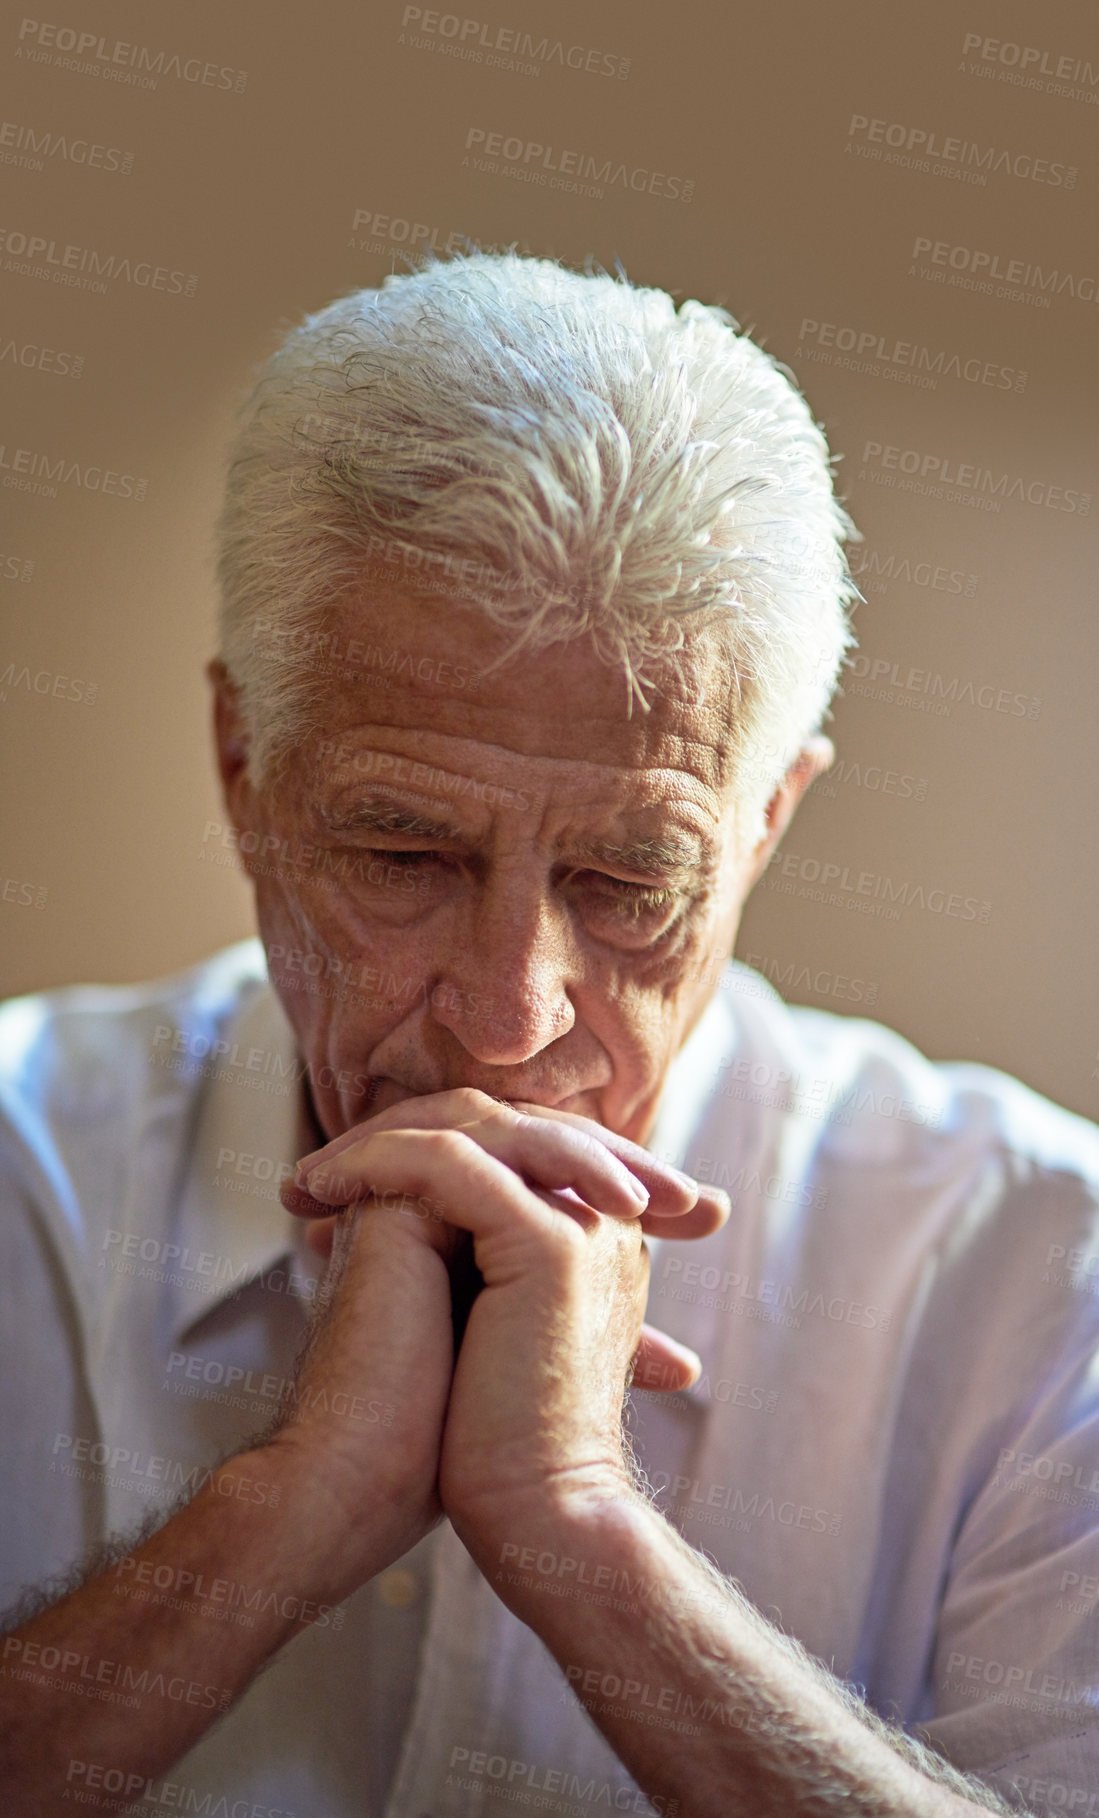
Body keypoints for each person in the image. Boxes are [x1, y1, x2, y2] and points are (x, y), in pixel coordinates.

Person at [0, 251, 1095, 1818]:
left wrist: (585, 1531)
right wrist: (279, 1519)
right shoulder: (16, 1169)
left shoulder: (1052, 1281)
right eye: (402, 853)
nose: (512, 1011)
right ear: (244, 771)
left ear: (768, 825)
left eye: (629, 878)